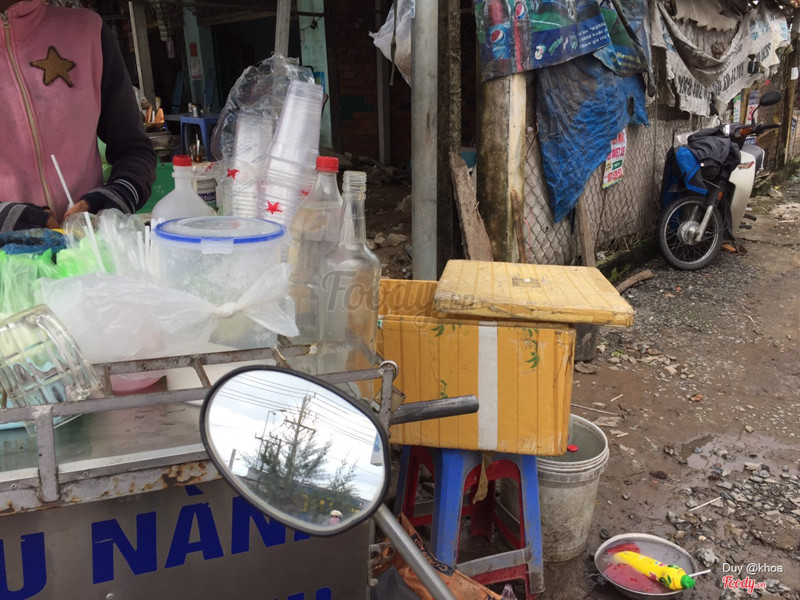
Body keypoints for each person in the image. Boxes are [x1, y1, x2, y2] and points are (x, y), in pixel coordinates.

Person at [0, 0, 156, 232]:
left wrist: (117, 195)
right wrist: (6, 217)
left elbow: (134, 149)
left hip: (89, 246)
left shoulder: (88, 32)